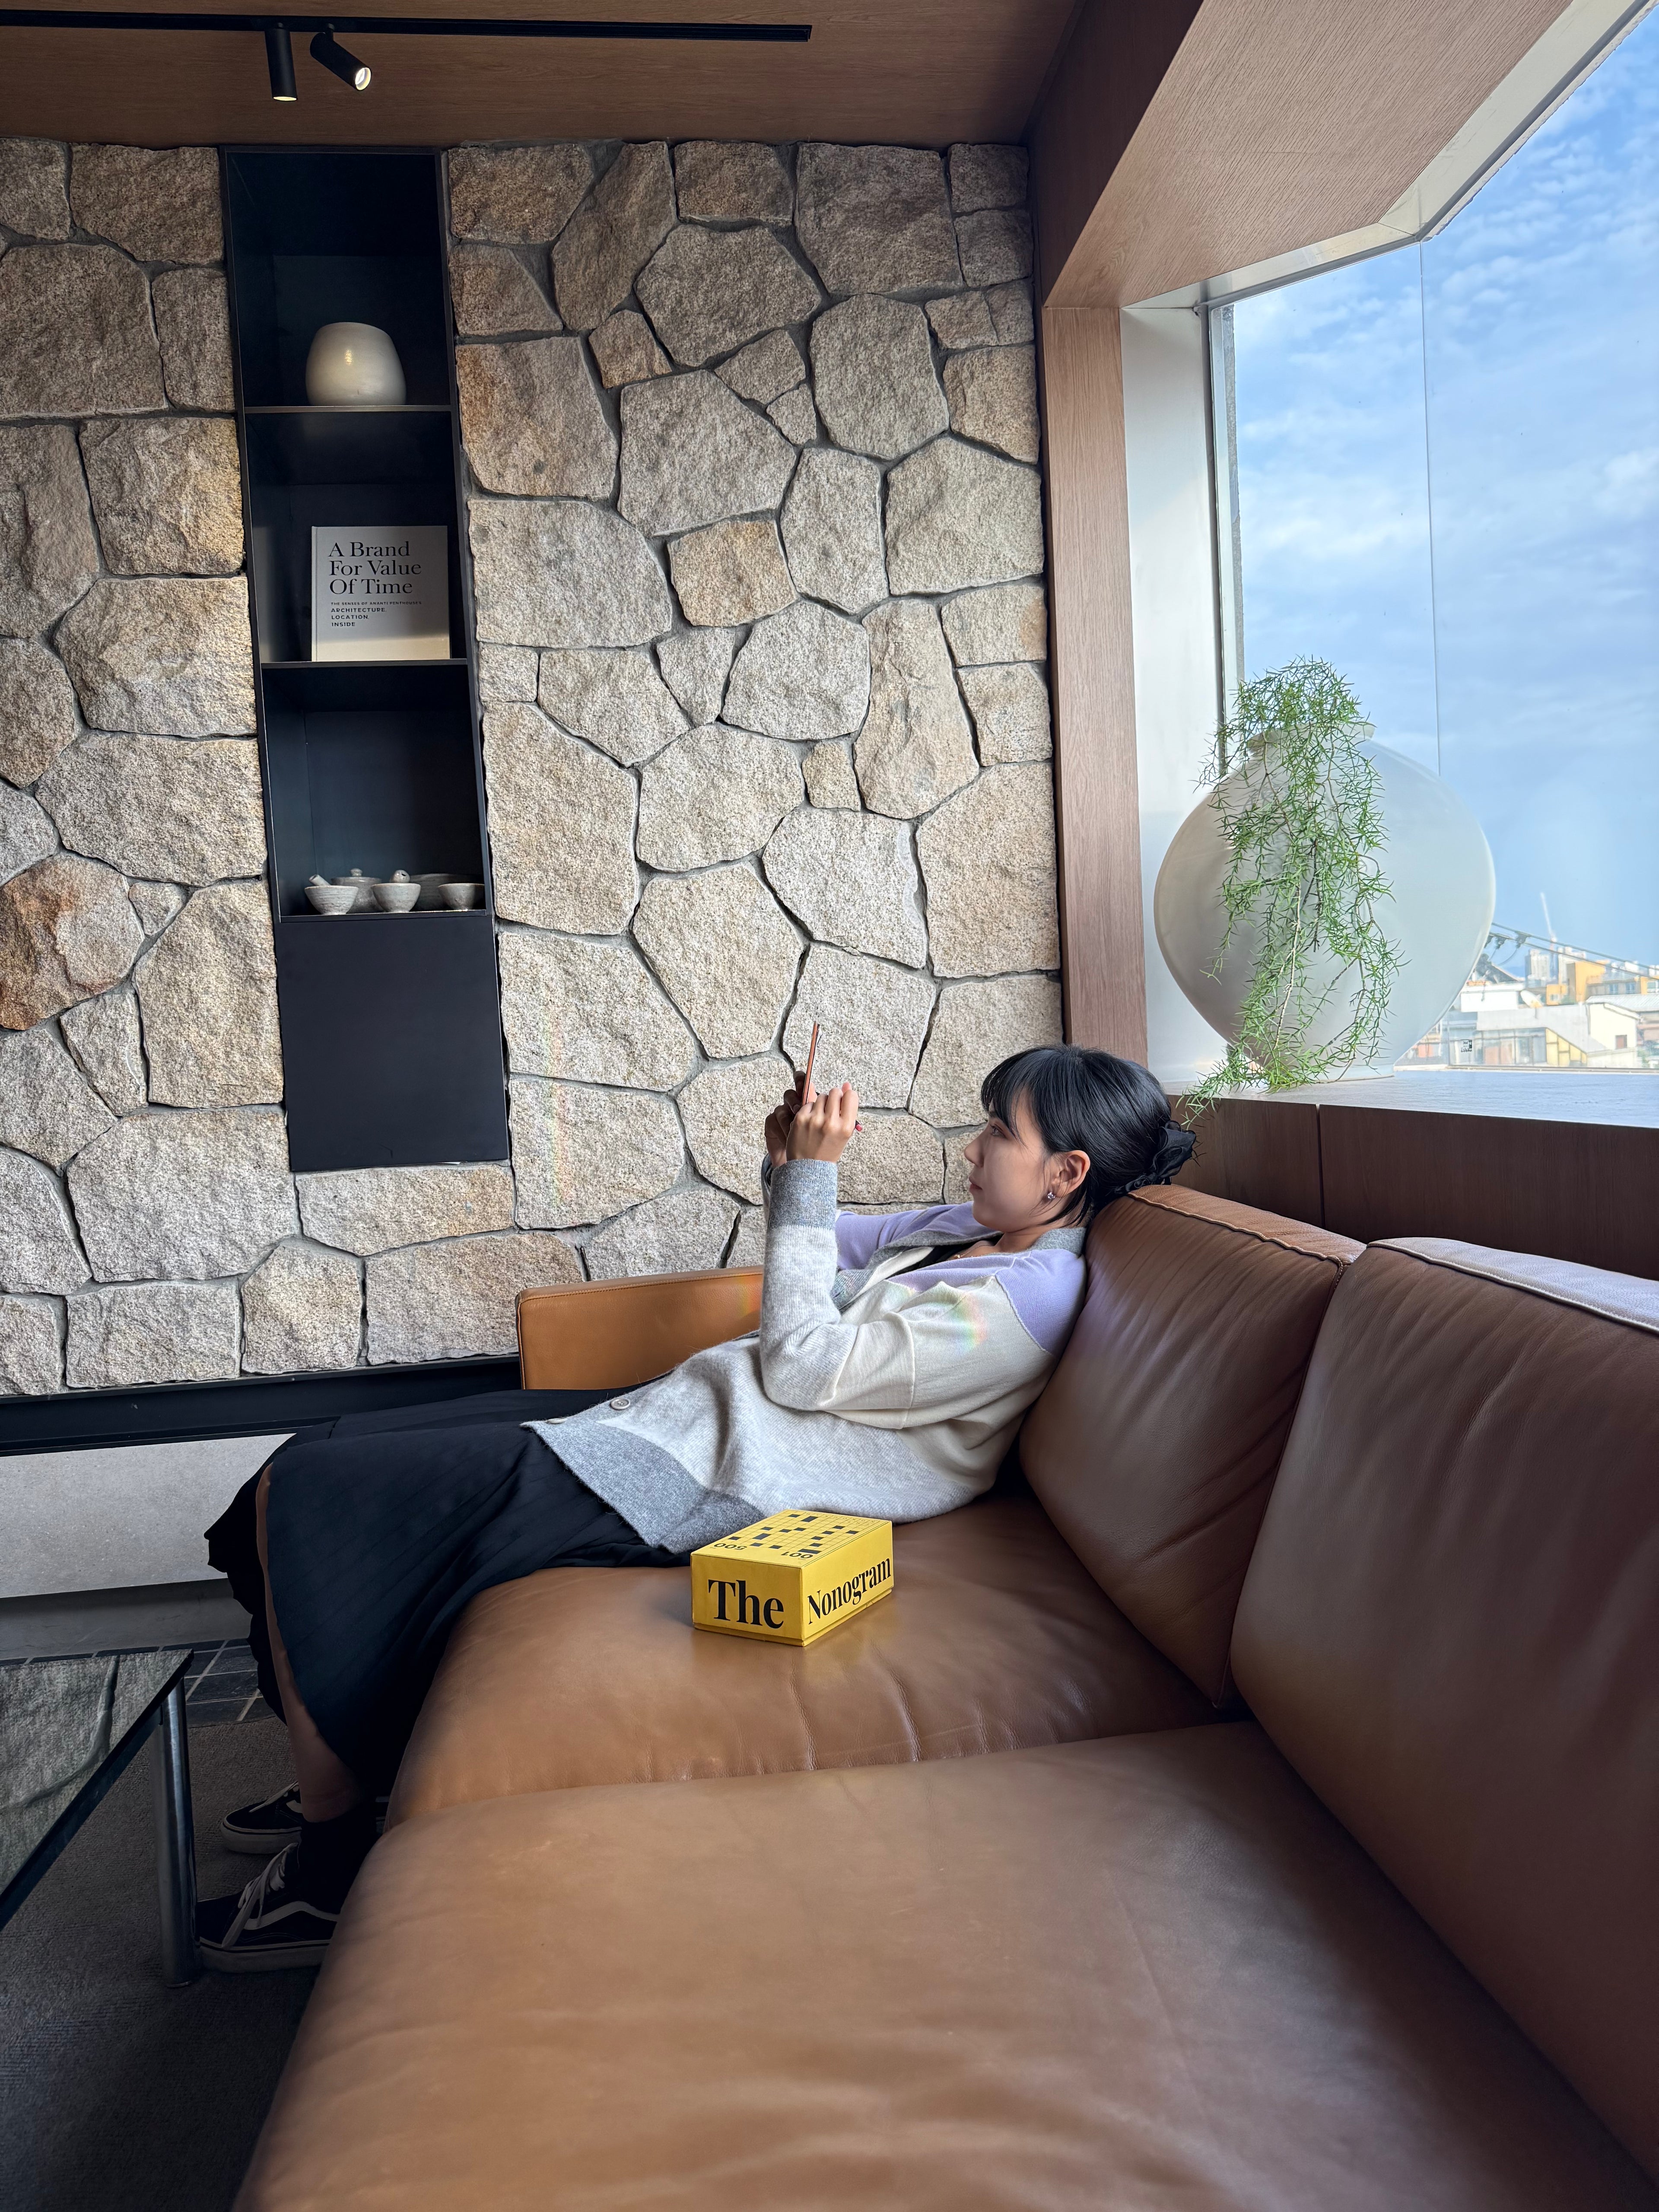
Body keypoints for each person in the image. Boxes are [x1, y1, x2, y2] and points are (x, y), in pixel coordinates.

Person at [197, 1045, 1193, 1969]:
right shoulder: (978, 1235)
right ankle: (348, 1750)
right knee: (320, 1449)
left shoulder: (1018, 1304)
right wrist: (790, 1162)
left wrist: (809, 1183)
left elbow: (804, 1366)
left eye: (999, 1131)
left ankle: (329, 1864)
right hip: (678, 1421)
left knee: (310, 1489)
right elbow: (824, 1244)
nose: (973, 1147)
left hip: (708, 1478)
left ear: (1064, 1174)